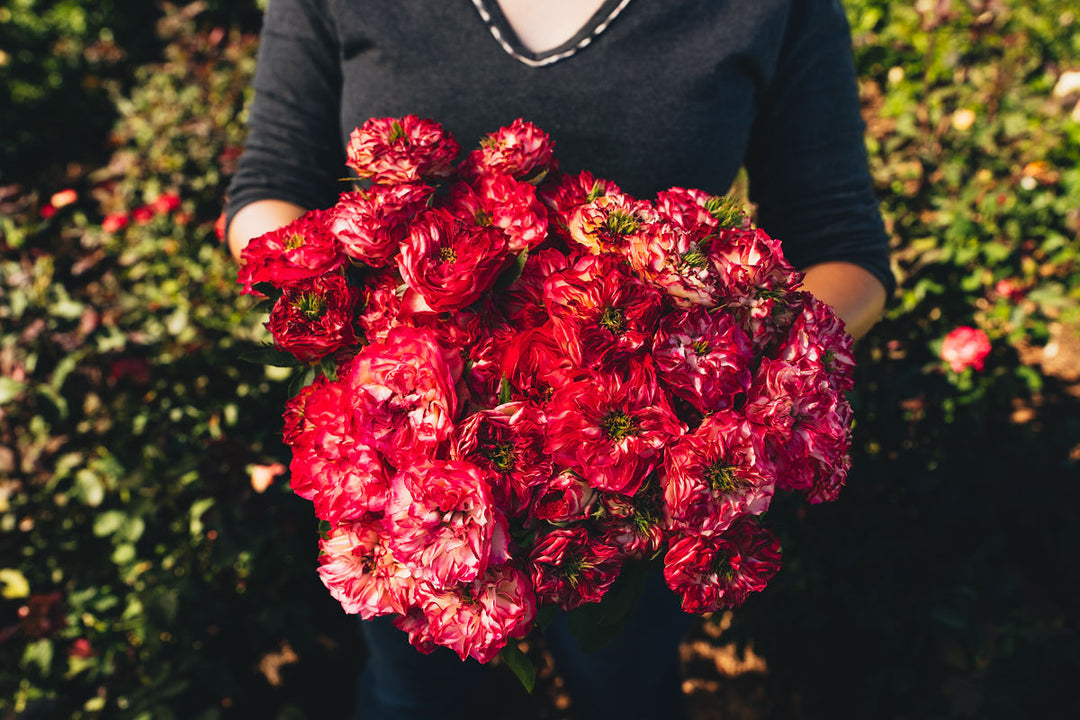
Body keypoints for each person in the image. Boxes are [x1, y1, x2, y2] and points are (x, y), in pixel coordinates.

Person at [225, 1, 892, 717]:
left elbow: (843, 246)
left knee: (625, 692)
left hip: (645, 483)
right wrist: (376, 350)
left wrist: (746, 387)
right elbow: (269, 188)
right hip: (408, 468)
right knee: (412, 697)